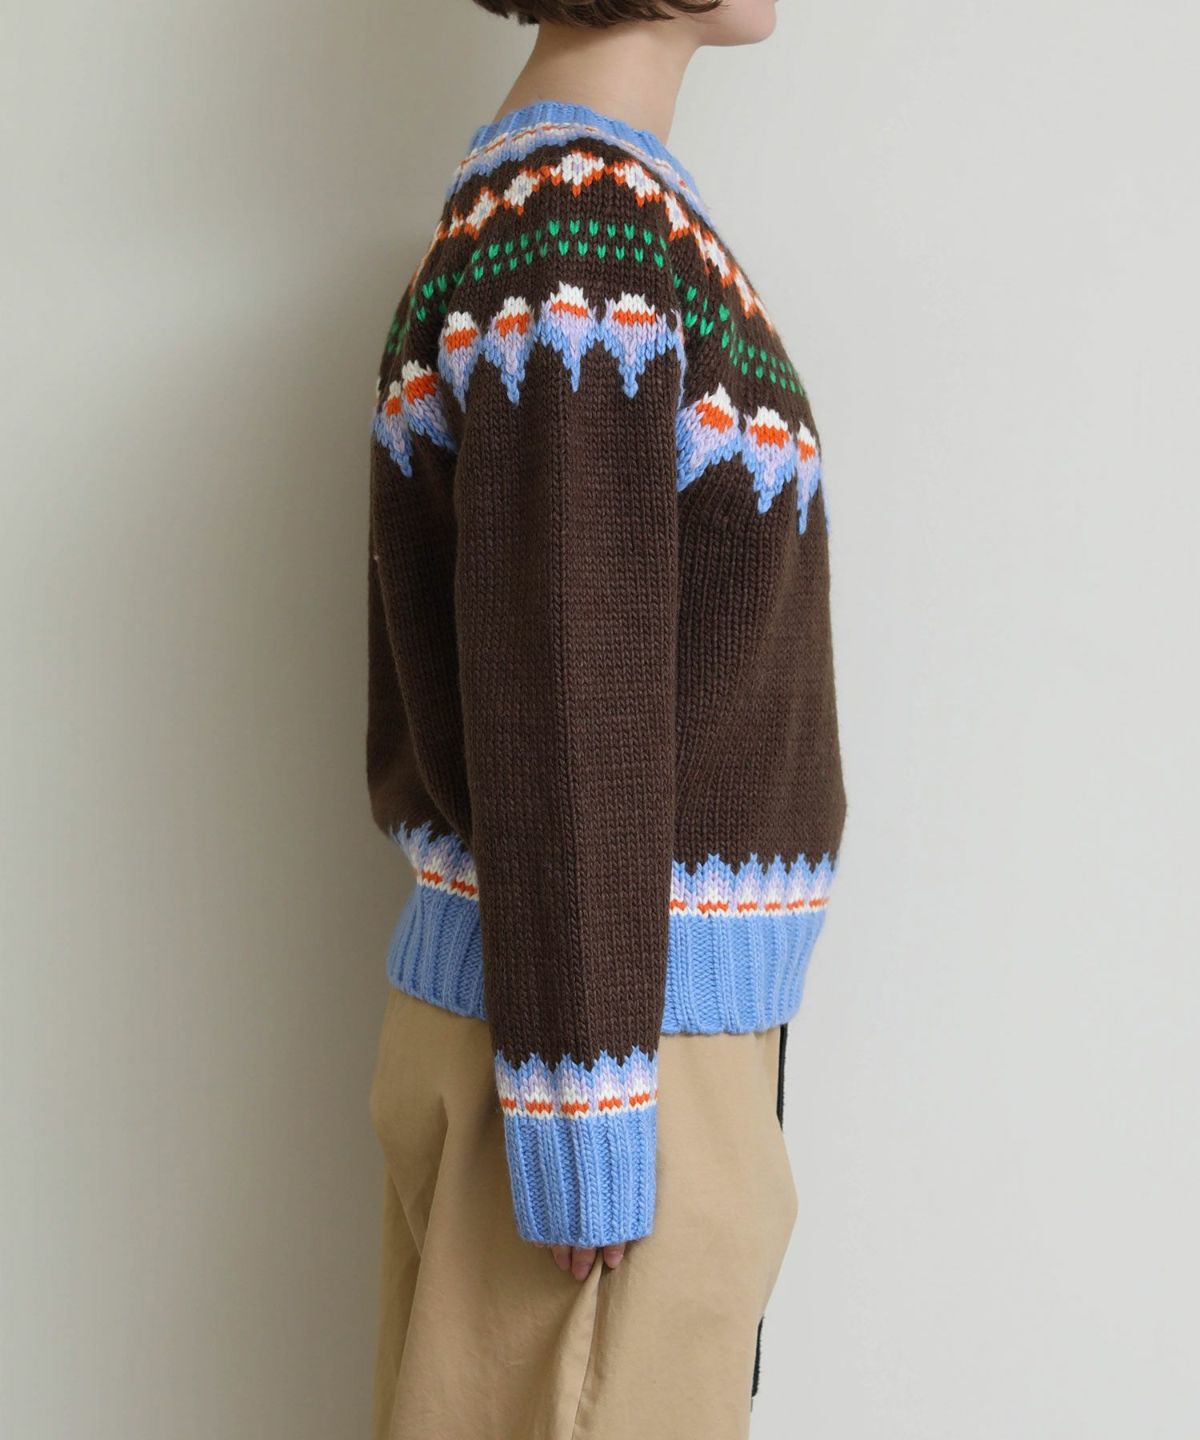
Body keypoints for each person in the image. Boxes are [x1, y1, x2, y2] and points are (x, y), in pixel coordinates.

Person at [364, 1, 847, 1434]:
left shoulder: (563, 217)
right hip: (599, 1051)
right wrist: (584, 1114)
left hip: (599, 1031)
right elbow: (564, 687)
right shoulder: (585, 235)